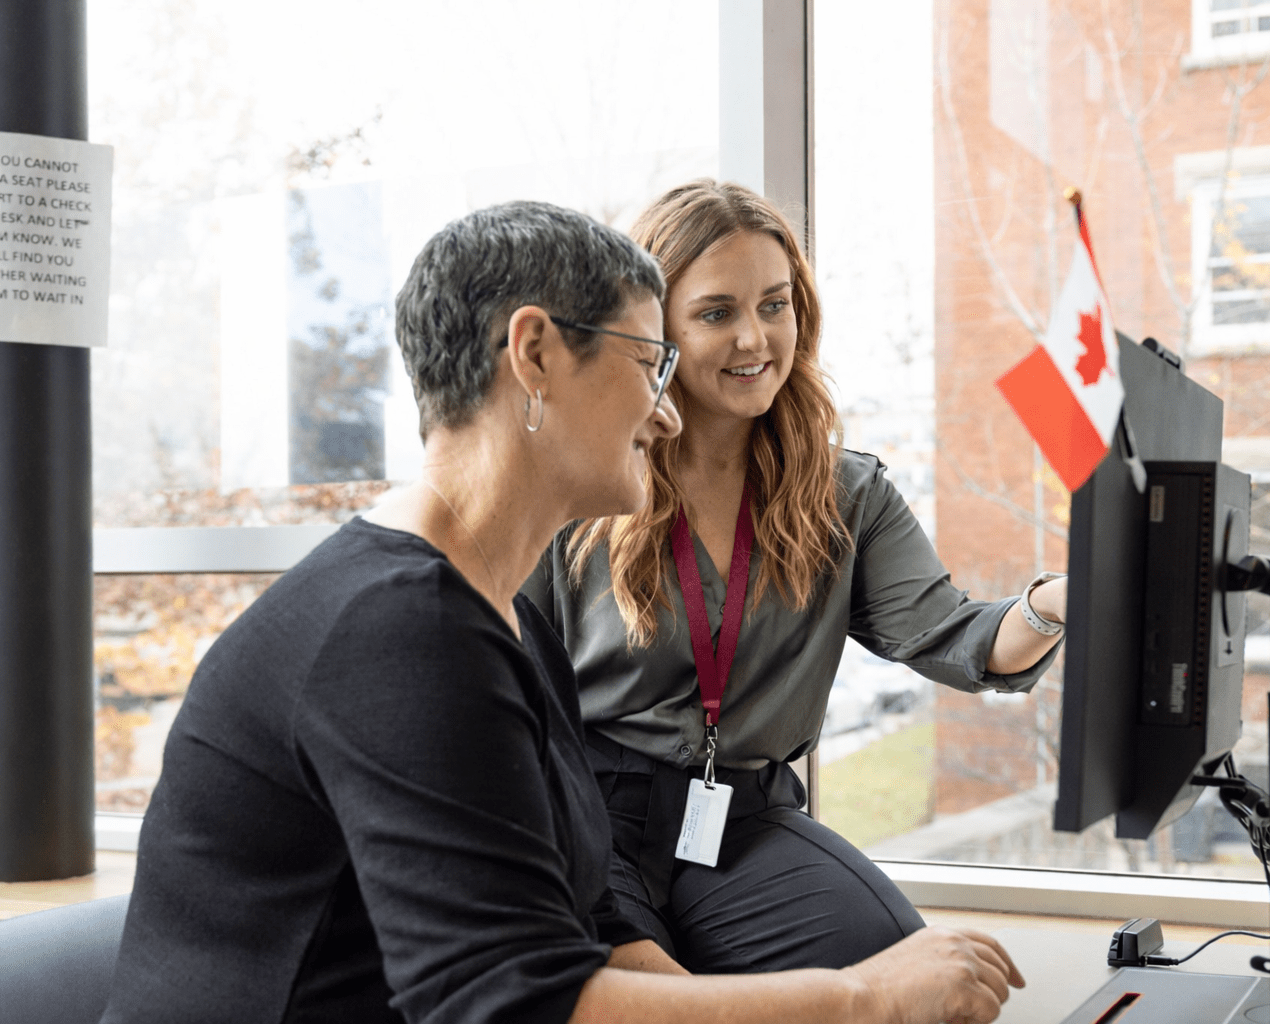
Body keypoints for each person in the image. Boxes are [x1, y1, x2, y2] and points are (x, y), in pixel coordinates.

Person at [99, 201, 1023, 1024]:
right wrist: (862, 1000)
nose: (665, 419)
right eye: (648, 362)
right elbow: (512, 999)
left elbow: (577, 915)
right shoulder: (398, 635)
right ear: (535, 354)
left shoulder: (499, 617)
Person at [522, 180, 1068, 975]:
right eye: (717, 313)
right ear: (654, 328)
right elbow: (509, 696)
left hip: (744, 820)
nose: (755, 339)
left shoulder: (847, 494)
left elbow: (957, 637)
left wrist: (1059, 604)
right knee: (652, 998)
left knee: (898, 971)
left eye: (774, 305)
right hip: (587, 813)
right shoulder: (584, 484)